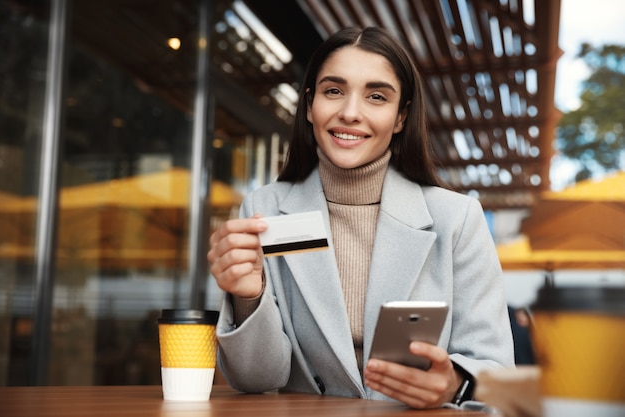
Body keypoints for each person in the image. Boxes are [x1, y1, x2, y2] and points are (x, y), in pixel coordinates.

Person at [208, 26, 514, 409]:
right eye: (333, 91)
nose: (350, 113)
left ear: (401, 117)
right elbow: (258, 378)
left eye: (376, 96)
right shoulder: (265, 210)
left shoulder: (455, 219)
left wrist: (454, 385)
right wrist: (247, 297)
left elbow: (496, 369)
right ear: (309, 105)